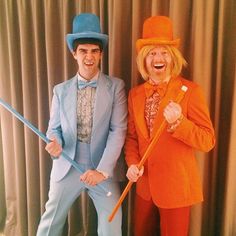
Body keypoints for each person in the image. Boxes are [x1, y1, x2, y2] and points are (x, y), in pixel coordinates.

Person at [36, 13, 127, 236]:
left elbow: (119, 131)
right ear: (74, 53)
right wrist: (54, 142)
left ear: (101, 54)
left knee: (112, 220)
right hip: (67, 163)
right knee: (50, 222)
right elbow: (53, 128)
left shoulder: (116, 87)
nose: (89, 57)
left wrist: (102, 171)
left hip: (102, 166)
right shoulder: (60, 90)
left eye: (94, 51)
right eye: (83, 51)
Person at [125, 16, 215, 236]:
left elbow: (207, 140)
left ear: (173, 58)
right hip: (144, 188)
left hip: (176, 188)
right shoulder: (135, 94)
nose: (158, 58)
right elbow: (131, 138)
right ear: (144, 60)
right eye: (152, 53)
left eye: (164, 52)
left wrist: (179, 123)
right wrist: (132, 163)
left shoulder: (190, 91)